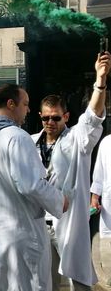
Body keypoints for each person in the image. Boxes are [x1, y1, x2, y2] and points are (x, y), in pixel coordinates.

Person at [0, 83, 67, 291]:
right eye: (25, 104)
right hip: (22, 237)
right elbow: (32, 185)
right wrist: (61, 201)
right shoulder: (18, 137)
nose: (28, 109)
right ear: (11, 104)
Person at [31, 52, 110, 291]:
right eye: (45, 117)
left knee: (79, 282)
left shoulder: (77, 139)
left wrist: (101, 80)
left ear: (66, 116)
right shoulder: (29, 142)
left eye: (56, 117)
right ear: (40, 117)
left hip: (69, 223)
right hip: (38, 225)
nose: (50, 122)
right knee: (44, 284)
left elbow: (93, 116)